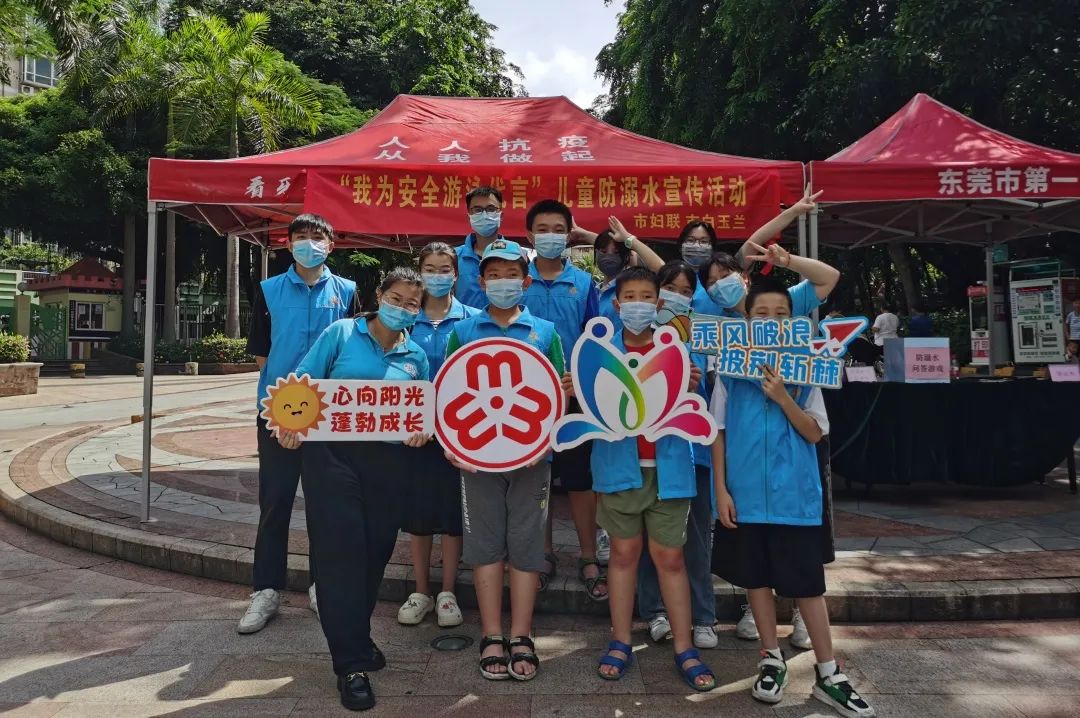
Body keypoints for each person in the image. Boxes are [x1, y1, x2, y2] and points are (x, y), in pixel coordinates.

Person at [710, 275, 875, 718]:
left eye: (781, 315)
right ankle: (770, 659)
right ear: (746, 321)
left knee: (807, 586)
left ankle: (829, 674)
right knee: (756, 580)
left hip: (794, 499)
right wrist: (720, 489)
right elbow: (717, 433)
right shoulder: (729, 371)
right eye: (761, 314)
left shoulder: (807, 370)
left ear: (795, 323)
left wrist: (785, 398)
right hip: (744, 497)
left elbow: (815, 432)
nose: (771, 322)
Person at [277, 267, 432, 712]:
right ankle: (350, 665)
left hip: (389, 464)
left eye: (412, 304)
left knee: (374, 553)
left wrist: (420, 431)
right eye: (396, 298)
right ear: (379, 295)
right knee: (340, 554)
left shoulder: (416, 356)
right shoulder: (341, 333)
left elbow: (420, 412)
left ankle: (357, 638)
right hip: (332, 457)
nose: (402, 308)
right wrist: (291, 424)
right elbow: (301, 384)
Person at [580, 266, 715, 691]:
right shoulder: (599, 350)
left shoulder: (676, 348)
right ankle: (620, 640)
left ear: (657, 304)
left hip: (669, 469)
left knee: (671, 558)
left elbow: (698, 411)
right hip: (618, 470)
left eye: (645, 297)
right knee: (623, 555)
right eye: (629, 297)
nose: (637, 305)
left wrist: (694, 385)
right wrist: (573, 388)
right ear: (616, 304)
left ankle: (684, 646)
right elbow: (588, 404)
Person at [444, 238, 565, 682]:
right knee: (485, 543)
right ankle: (491, 634)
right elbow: (449, 393)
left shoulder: (545, 331)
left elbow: (558, 397)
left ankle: (522, 634)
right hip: (477, 459)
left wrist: (544, 441)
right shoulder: (463, 332)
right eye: (493, 275)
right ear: (481, 282)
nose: (502, 282)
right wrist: (455, 445)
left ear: (526, 281)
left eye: (511, 274)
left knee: (528, 544)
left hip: (532, 458)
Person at [240, 213, 357, 635]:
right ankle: (266, 590)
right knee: (275, 502)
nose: (310, 243)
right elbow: (261, 353)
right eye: (301, 236)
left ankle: (322, 588)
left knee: (327, 505)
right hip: (279, 412)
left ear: (332, 244)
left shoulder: (348, 291)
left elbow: (353, 348)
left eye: (318, 236)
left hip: (329, 416)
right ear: (287, 244)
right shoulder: (268, 289)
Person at [520, 199, 606, 601]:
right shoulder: (517, 280)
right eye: (543, 229)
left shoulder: (585, 283)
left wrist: (586, 385)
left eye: (559, 229)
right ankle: (543, 554)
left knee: (579, 480)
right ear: (529, 235)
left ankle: (588, 557)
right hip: (526, 399)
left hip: (575, 398)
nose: (551, 236)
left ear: (570, 234)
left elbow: (595, 337)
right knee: (537, 478)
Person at [635, 261, 719, 649]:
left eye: (687, 291)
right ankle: (654, 611)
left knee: (696, 540)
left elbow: (711, 402)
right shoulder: (637, 338)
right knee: (647, 540)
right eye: (671, 288)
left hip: (693, 454)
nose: (677, 297)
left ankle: (703, 617)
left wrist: (695, 384)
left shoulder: (699, 338)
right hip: (647, 456)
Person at [397, 242, 480, 629]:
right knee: (417, 514)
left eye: (444, 269)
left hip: (457, 433)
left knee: (450, 513)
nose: (437, 276)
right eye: (429, 269)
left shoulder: (472, 321)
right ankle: (420, 591)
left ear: (456, 274)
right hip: (413, 433)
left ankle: (447, 591)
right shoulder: (403, 320)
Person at [455, 186, 511, 308]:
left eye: (491, 209)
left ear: (501, 216)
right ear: (469, 216)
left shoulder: (516, 256)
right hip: (466, 321)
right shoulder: (454, 257)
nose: (484, 214)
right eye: (477, 210)